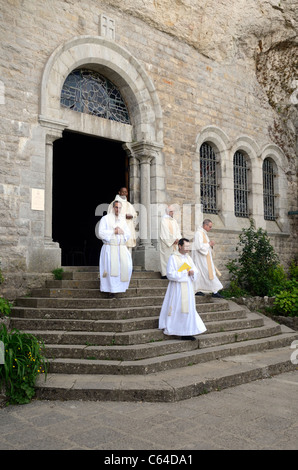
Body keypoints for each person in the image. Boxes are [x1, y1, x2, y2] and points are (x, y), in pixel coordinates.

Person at [158, 238, 207, 341]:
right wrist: (185, 273)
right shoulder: (173, 258)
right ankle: (178, 330)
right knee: (178, 308)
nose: (188, 248)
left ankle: (187, 331)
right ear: (180, 246)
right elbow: (170, 274)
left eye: (189, 246)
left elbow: (195, 270)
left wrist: (193, 272)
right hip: (177, 288)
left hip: (188, 288)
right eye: (186, 246)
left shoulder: (188, 258)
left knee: (188, 309)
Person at [97, 200, 132, 298]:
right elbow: (101, 233)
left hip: (120, 248)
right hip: (109, 248)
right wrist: (114, 231)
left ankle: (120, 288)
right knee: (110, 269)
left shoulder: (122, 220)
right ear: (113, 208)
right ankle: (110, 290)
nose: (118, 209)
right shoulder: (105, 219)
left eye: (120, 208)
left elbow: (128, 233)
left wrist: (122, 233)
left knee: (126, 267)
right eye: (116, 207)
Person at [192, 219, 223, 298]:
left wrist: (210, 245)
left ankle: (214, 291)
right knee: (205, 273)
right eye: (210, 226)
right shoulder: (199, 234)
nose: (210, 228)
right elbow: (199, 247)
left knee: (210, 273)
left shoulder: (203, 233)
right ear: (205, 225)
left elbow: (205, 245)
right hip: (201, 259)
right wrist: (209, 244)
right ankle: (198, 290)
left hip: (205, 258)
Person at [108, 187, 137, 253]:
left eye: (126, 192)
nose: (124, 193)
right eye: (123, 192)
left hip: (128, 228)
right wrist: (124, 216)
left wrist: (132, 216)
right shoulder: (114, 204)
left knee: (128, 252)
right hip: (118, 229)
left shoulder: (129, 204)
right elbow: (110, 216)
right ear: (119, 192)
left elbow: (134, 215)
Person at [159, 205, 182, 278]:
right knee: (166, 258)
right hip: (167, 243)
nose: (173, 213)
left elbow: (178, 231)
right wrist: (172, 240)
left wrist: (178, 239)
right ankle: (165, 274)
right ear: (168, 212)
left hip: (175, 243)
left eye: (173, 211)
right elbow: (164, 232)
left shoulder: (174, 221)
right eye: (171, 211)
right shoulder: (163, 220)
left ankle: (173, 272)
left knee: (175, 258)